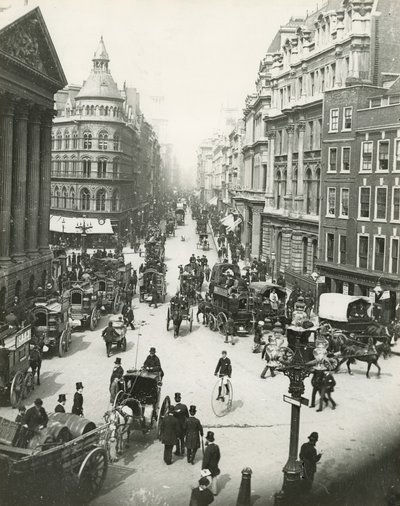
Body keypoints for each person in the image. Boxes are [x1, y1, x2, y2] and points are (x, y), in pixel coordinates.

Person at [202, 431, 221, 496]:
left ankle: (202, 491)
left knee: (204, 479)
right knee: (214, 478)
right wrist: (216, 463)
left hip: (208, 467)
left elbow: (206, 460)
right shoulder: (216, 446)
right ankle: (214, 492)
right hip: (215, 466)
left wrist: (203, 468)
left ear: (207, 440)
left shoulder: (208, 449)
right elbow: (219, 456)